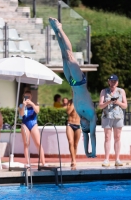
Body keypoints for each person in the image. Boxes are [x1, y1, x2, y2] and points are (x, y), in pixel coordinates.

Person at [49, 17, 97, 158]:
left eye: (82, 127)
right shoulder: (91, 116)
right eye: (85, 126)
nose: (82, 125)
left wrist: (85, 152)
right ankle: (60, 28)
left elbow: (85, 135)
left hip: (71, 82)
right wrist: (92, 152)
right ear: (89, 123)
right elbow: (91, 135)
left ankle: (55, 30)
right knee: (70, 56)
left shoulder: (81, 115)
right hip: (80, 81)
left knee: (64, 57)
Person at [99, 74, 127, 167]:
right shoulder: (104, 91)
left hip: (118, 116)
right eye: (111, 81)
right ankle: (106, 159)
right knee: (107, 137)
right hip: (107, 116)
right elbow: (100, 105)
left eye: (114, 81)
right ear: (109, 81)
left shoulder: (121, 91)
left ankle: (117, 159)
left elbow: (125, 105)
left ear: (117, 82)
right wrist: (109, 101)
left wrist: (117, 102)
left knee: (117, 137)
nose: (113, 83)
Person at [19, 90, 46, 167]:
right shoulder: (21, 105)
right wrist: (24, 105)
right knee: (26, 144)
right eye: (26, 96)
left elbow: (37, 111)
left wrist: (32, 104)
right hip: (25, 124)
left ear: (31, 97)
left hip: (33, 124)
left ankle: (43, 162)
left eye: (29, 96)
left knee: (38, 143)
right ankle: (27, 163)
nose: (27, 98)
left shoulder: (35, 104)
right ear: (23, 97)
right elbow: (21, 114)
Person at [66, 99, 81, 169]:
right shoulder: (70, 102)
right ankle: (73, 160)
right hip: (70, 124)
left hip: (78, 125)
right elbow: (68, 112)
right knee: (70, 142)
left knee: (75, 144)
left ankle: (73, 159)